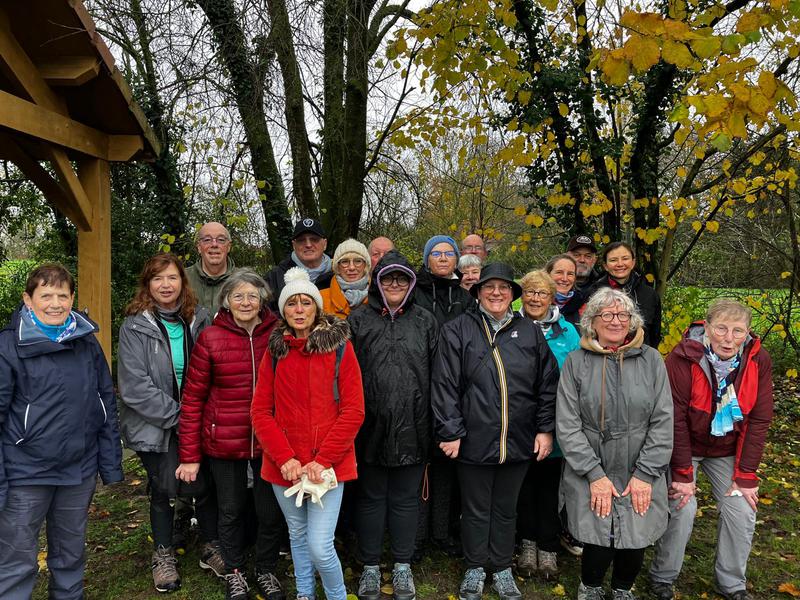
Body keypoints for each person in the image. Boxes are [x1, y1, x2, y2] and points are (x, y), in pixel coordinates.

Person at [432, 263, 559, 600]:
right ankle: (475, 567)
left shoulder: (529, 332)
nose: (497, 293)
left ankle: (502, 568)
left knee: (506, 509)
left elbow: (547, 384)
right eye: (489, 287)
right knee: (475, 509)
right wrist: (450, 431)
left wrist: (545, 429)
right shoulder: (457, 330)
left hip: (518, 440)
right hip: (473, 440)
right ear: (478, 292)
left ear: (513, 294)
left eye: (504, 287)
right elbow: (444, 384)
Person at [0, 264, 123, 600]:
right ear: (28, 299)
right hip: (25, 473)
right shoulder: (8, 347)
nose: (55, 304)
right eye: (46, 295)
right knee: (16, 562)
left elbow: (105, 403)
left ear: (72, 299)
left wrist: (110, 464)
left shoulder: (86, 342)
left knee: (70, 556)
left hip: (77, 472)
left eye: (62, 295)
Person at [251, 268, 364, 600]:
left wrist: (323, 460)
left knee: (320, 545)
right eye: (292, 304)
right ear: (283, 311)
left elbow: (354, 411)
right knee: (297, 534)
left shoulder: (340, 350)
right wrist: (284, 458)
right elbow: (260, 411)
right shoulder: (275, 352)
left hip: (327, 466)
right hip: (285, 467)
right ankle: (304, 593)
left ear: (317, 307)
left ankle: (336, 596)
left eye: (306, 303)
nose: (299, 310)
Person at [649, 299, 774, 600]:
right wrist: (682, 473)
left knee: (742, 507)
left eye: (738, 331)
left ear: (748, 333)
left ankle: (731, 583)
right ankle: (663, 577)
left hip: (727, 448)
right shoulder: (682, 357)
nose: (729, 339)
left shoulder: (758, 359)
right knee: (682, 504)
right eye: (721, 329)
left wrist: (745, 475)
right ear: (706, 328)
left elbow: (758, 419)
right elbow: (674, 418)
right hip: (686, 444)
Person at [557, 287, 673, 600]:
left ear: (632, 321)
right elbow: (567, 424)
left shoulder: (651, 360)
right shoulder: (576, 362)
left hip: (639, 462)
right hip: (591, 461)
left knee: (636, 531)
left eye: (623, 314)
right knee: (597, 530)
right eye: (607, 314)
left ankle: (622, 589)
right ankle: (590, 586)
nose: (616, 320)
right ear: (592, 322)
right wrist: (594, 475)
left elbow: (663, 421)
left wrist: (646, 474)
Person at [176, 270, 286, 600]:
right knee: (230, 510)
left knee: (270, 511)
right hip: (224, 440)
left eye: (252, 295)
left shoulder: (278, 334)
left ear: (263, 300)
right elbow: (193, 399)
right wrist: (189, 456)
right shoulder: (211, 338)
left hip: (270, 441)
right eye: (238, 296)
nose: (246, 302)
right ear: (226, 301)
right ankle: (235, 571)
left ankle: (265, 569)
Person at [117, 253, 223, 593]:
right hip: (155, 423)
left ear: (183, 282)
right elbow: (135, 386)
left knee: (205, 484)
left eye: (172, 277)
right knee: (163, 486)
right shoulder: (135, 326)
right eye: (158, 278)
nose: (166, 285)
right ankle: (163, 554)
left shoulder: (200, 319)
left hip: (198, 419)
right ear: (148, 284)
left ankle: (211, 545)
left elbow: (216, 369)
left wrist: (199, 417)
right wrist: (182, 417)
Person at [348, 252, 438, 600]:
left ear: (412, 283)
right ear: (377, 282)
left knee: (405, 500)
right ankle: (370, 566)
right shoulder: (358, 320)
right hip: (368, 426)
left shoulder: (425, 321)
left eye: (402, 278)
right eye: (388, 278)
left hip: (415, 425)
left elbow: (438, 376)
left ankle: (402, 565)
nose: (395, 284)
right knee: (370, 498)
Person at [515, 270, 581, 579]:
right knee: (525, 486)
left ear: (552, 298)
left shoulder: (568, 332)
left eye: (542, 293)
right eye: (530, 292)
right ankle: (528, 545)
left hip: (556, 422)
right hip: (520, 423)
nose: (535, 298)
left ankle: (549, 546)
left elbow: (578, 375)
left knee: (551, 487)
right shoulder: (511, 327)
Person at [413, 235, 474, 558]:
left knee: (447, 464)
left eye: (448, 253)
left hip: (455, 389)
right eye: (435, 253)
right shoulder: (415, 292)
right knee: (421, 464)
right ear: (427, 259)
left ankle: (442, 531)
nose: (441, 258)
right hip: (420, 386)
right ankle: (418, 534)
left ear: (456, 259)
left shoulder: (465, 298)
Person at [587, 241, 662, 348]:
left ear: (633, 262)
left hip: (640, 355)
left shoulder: (649, 294)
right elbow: (587, 330)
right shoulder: (593, 294)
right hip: (601, 355)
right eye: (613, 260)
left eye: (625, 258)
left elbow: (655, 334)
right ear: (605, 266)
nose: (620, 264)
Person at [265, 218, 334, 309]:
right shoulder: (275, 277)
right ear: (294, 245)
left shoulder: (340, 273)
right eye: (301, 240)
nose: (308, 245)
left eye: (314, 239)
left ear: (325, 244)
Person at [186, 221, 236, 315]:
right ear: (199, 247)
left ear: (229, 247)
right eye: (207, 240)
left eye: (221, 240)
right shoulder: (182, 279)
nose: (214, 244)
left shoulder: (244, 280)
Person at [321, 239, 371, 319]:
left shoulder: (381, 297)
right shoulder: (320, 298)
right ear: (337, 267)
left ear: (365, 265)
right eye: (345, 261)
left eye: (358, 261)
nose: (351, 267)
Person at [545, 254, 583, 327]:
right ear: (548, 274)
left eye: (570, 274)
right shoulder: (536, 302)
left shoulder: (582, 305)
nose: (565, 279)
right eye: (559, 272)